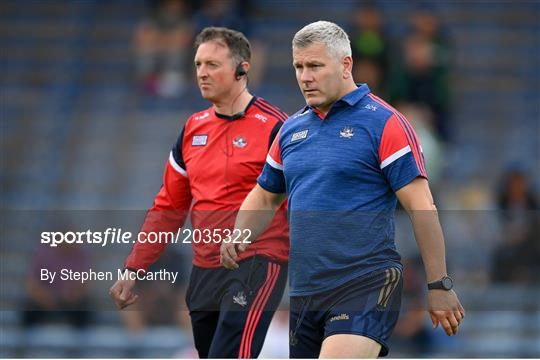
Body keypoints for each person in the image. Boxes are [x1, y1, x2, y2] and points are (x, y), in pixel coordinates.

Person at [221, 21, 464, 358]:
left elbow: (422, 206)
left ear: (346, 64)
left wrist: (439, 285)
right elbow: (265, 195)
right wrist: (240, 234)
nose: (305, 76)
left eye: (315, 66)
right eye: (299, 67)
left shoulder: (384, 122)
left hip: (367, 282)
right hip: (306, 292)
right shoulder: (291, 130)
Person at [110, 27, 289, 358]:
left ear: (242, 69)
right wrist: (133, 269)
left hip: (256, 263)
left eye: (213, 65)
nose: (202, 73)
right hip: (204, 270)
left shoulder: (278, 128)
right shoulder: (193, 129)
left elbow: (303, 200)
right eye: (198, 64)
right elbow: (168, 207)